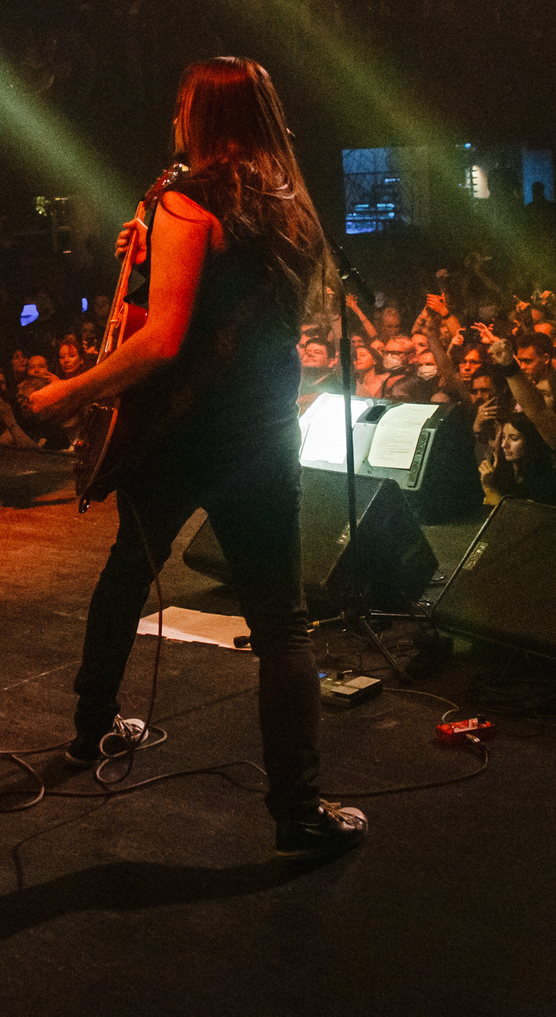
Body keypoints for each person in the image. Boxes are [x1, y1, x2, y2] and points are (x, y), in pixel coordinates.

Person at [28, 57, 363, 859]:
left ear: (202, 115)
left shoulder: (188, 198)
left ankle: (90, 732)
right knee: (282, 623)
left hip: (178, 432)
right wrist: (151, 248)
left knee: (126, 574)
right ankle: (297, 809)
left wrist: (71, 393)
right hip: (261, 435)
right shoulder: (288, 201)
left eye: (183, 107)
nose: (173, 119)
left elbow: (163, 338)